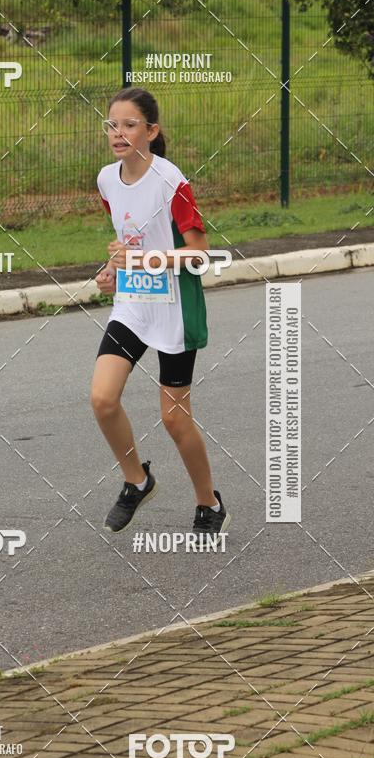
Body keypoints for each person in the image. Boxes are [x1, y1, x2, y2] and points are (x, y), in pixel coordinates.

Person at [90, 87, 231, 544]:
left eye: (129, 124)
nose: (119, 132)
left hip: (175, 308)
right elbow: (128, 240)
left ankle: (209, 502)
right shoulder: (107, 180)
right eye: (113, 124)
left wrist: (145, 261)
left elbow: (199, 255)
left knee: (173, 418)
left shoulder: (172, 181)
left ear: (151, 131)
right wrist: (110, 270)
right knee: (102, 399)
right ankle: (137, 480)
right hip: (132, 304)